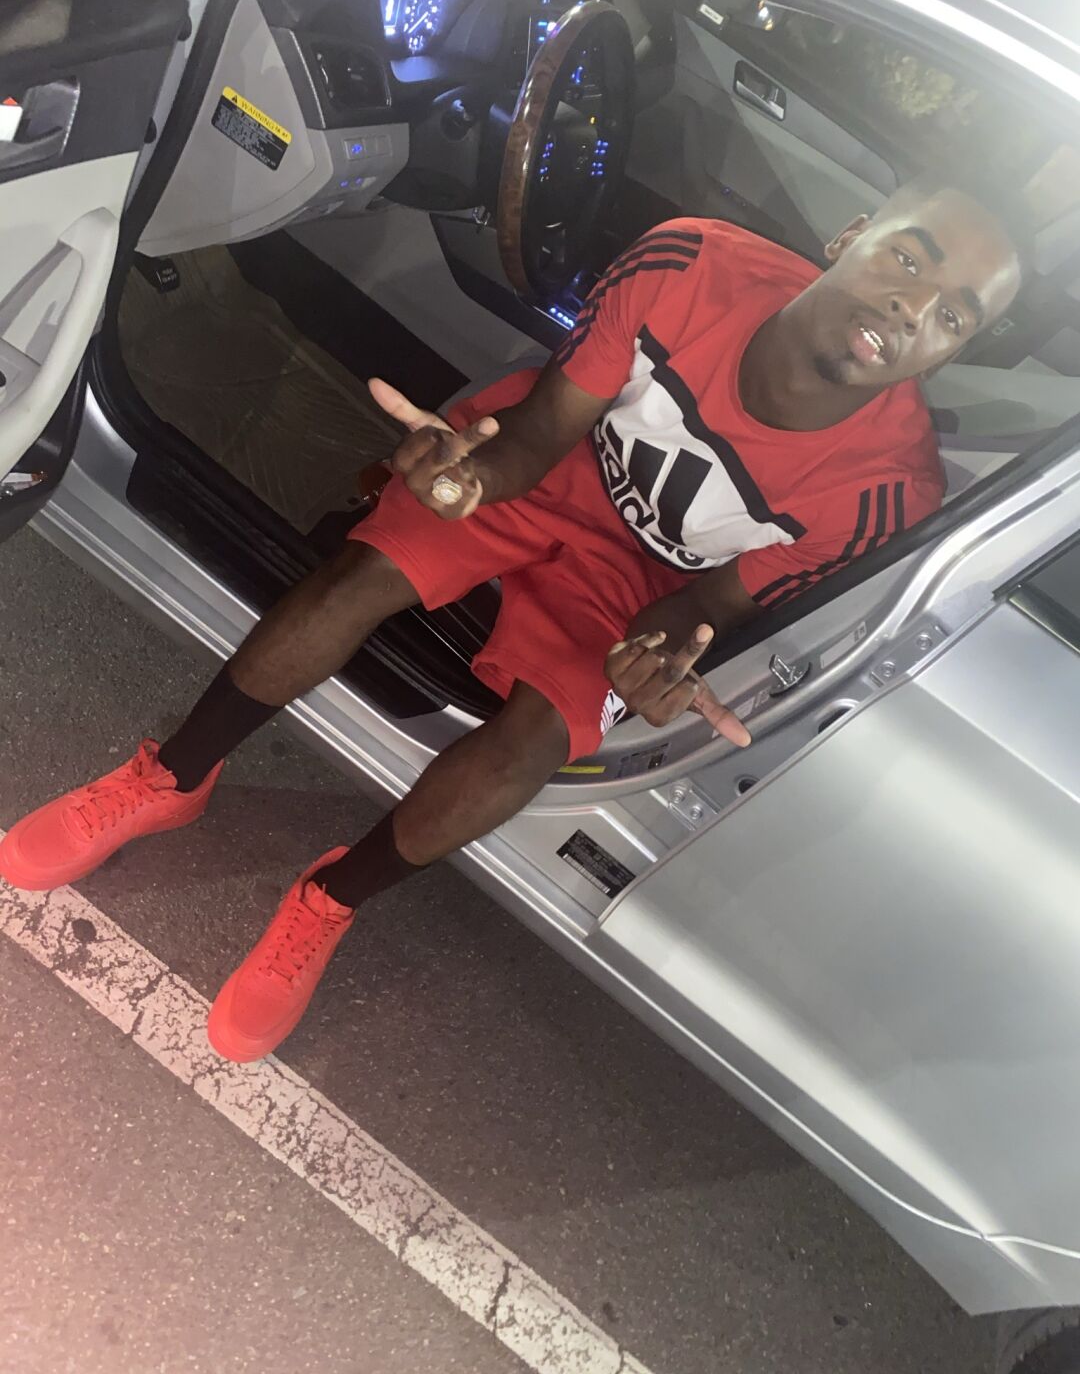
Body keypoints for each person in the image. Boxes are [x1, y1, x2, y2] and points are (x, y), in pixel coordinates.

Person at [0, 169, 1025, 1063]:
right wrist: (469, 482)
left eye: (953, 318)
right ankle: (169, 779)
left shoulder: (889, 492)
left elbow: (710, 602)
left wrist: (660, 664)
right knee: (355, 583)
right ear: (852, 236)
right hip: (551, 466)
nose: (913, 309)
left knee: (529, 749)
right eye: (909, 261)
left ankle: (329, 899)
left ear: (950, 354)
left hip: (637, 583)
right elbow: (540, 431)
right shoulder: (690, 264)